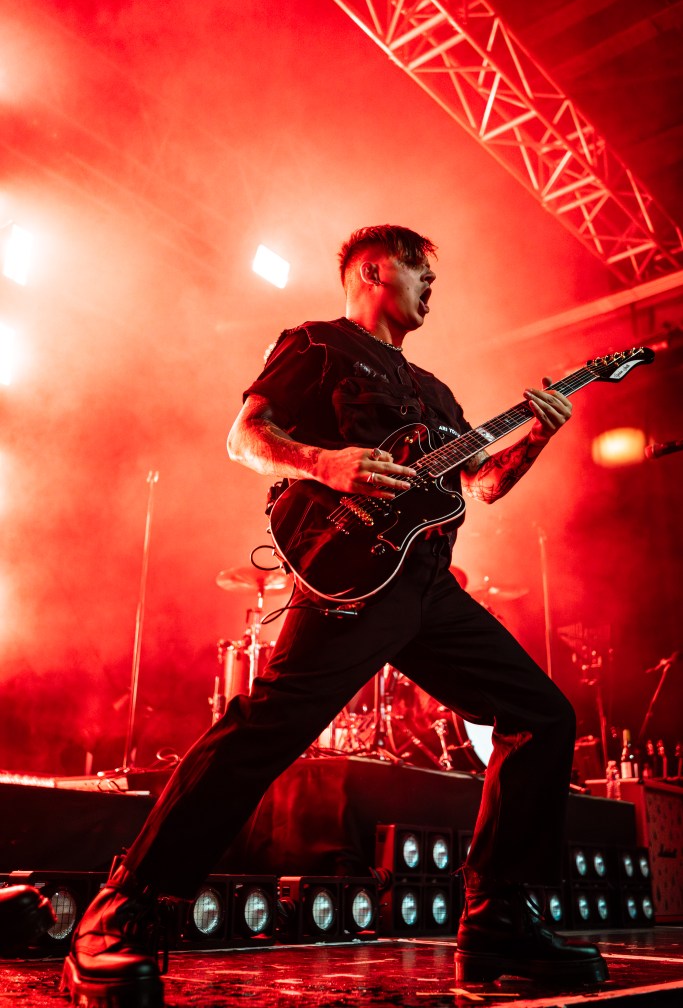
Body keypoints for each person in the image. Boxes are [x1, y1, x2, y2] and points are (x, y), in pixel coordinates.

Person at [62, 225, 607, 1007]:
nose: (432, 288)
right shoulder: (316, 344)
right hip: (352, 571)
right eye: (422, 273)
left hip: (427, 584)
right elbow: (245, 438)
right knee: (265, 728)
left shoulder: (436, 392)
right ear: (374, 270)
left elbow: (481, 487)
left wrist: (537, 435)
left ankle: (497, 926)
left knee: (541, 716)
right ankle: (121, 912)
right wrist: (325, 463)